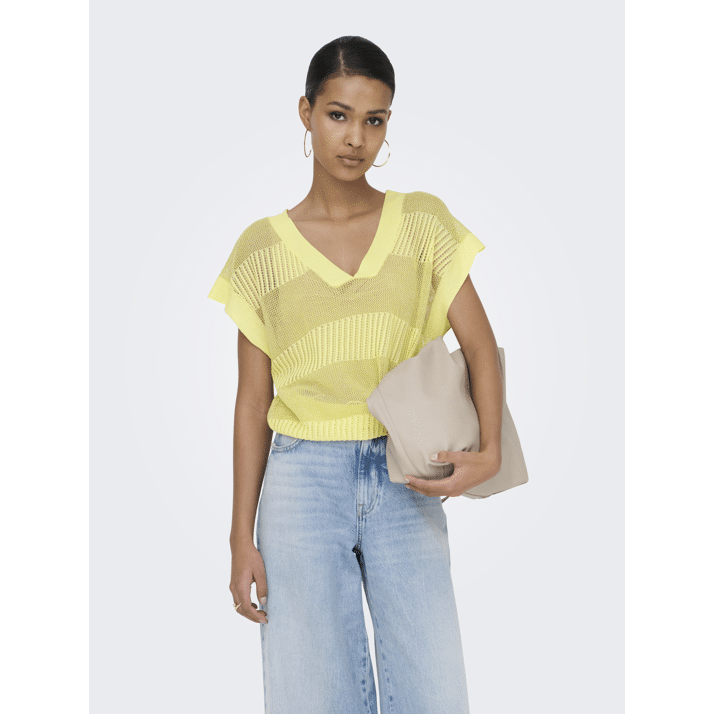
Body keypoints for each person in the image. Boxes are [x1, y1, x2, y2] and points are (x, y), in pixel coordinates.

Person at [208, 35, 503, 714]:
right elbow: (253, 401)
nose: (355, 138)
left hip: (408, 474)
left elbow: (481, 346)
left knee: (434, 693)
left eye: (375, 120)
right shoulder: (261, 250)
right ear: (306, 112)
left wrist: (489, 452)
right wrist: (239, 537)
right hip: (300, 484)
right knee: (311, 695)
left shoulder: (422, 222)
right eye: (338, 115)